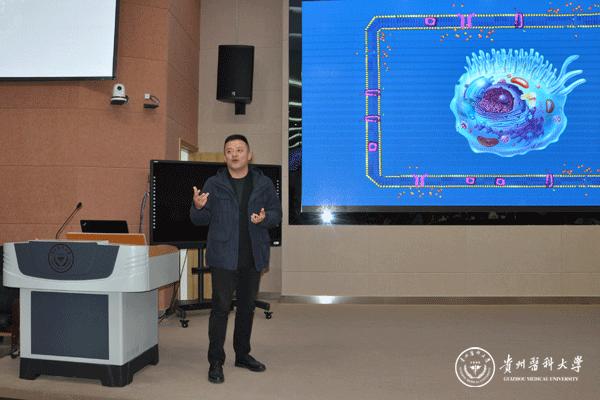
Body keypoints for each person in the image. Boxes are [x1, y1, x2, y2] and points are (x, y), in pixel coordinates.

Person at [190, 134, 282, 384]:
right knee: (220, 309)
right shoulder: (214, 183)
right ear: (225, 156)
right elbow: (199, 220)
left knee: (247, 308)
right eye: (229, 150)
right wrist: (198, 206)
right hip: (223, 256)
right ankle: (215, 361)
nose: (234, 154)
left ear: (249, 155)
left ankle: (242, 355)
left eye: (239, 150)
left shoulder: (263, 183)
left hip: (253, 254)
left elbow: (276, 214)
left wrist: (265, 218)